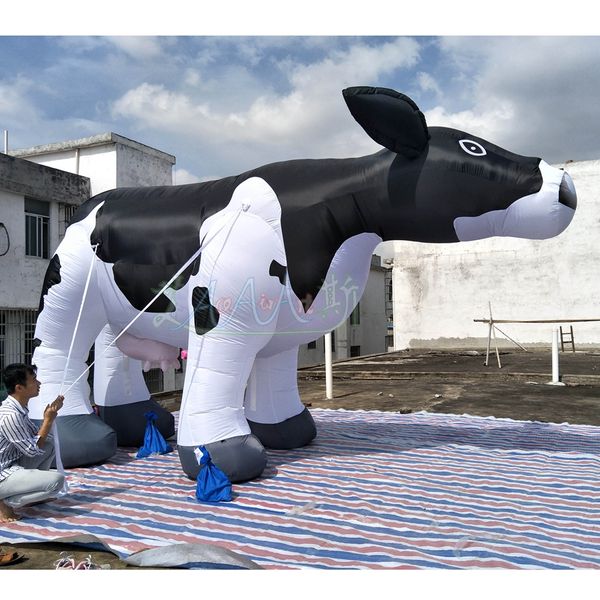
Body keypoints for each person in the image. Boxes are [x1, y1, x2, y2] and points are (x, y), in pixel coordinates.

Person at [0, 363, 65, 523]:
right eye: (34, 380)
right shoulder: (10, 416)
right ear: (19, 388)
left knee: (48, 444)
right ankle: (5, 502)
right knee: (56, 482)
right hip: (2, 473)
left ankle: (32, 494)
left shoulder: (19, 409)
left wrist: (47, 418)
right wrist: (48, 421)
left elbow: (38, 441)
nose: (39, 383)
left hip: (11, 465)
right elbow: (32, 450)